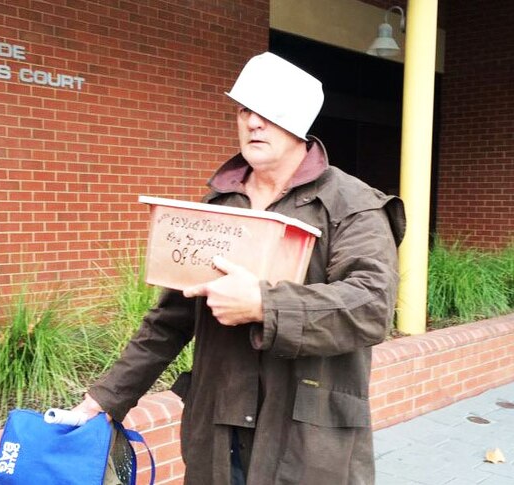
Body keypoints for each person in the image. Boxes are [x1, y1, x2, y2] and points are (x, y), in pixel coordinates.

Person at [73, 51, 406, 484]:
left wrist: (265, 305)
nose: (252, 122)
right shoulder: (217, 207)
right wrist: (103, 400)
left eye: (267, 112)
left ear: (301, 123)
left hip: (306, 442)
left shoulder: (353, 205)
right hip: (218, 429)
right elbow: (170, 320)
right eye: (245, 109)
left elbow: (370, 305)